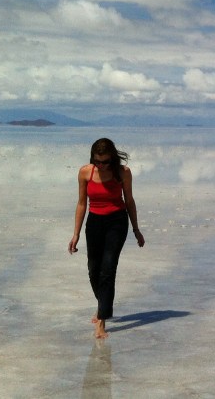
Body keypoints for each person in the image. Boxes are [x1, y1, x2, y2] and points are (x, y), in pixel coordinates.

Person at [68, 137, 145, 339]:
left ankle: (102, 320)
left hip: (117, 222)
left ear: (113, 159)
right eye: (97, 161)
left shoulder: (123, 173)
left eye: (105, 162)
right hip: (94, 222)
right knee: (94, 270)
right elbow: (82, 204)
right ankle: (103, 304)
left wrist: (136, 229)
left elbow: (129, 200)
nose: (101, 165)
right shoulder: (85, 172)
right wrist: (75, 234)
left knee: (108, 268)